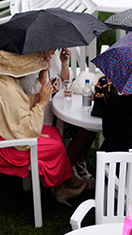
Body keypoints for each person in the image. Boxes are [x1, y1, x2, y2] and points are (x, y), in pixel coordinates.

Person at [0, 50, 87, 204]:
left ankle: (64, 179)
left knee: (53, 132)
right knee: (54, 146)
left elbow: (20, 106)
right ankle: (61, 186)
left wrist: (41, 94)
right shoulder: (9, 91)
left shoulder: (3, 81)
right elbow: (26, 133)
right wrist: (42, 103)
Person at [20, 48, 95, 181]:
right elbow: (30, 94)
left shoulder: (53, 56)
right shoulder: (29, 61)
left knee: (89, 126)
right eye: (54, 46)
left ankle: (76, 162)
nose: (57, 48)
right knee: (84, 128)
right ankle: (67, 173)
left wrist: (64, 64)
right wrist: (42, 75)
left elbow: (64, 83)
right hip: (41, 116)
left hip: (58, 106)